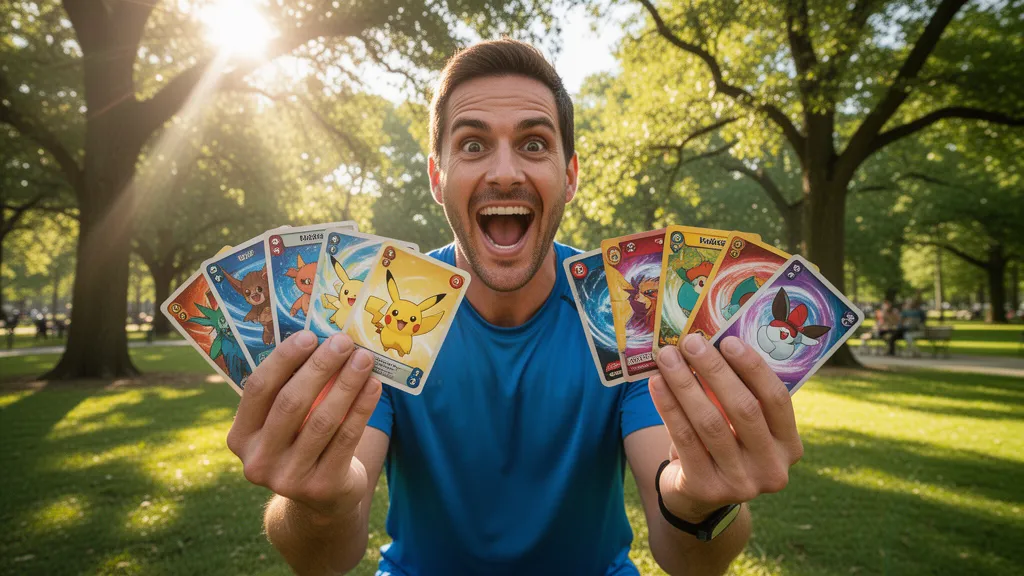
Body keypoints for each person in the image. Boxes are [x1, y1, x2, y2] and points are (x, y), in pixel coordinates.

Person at [227, 40, 803, 575]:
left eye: (533, 144)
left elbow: (688, 558)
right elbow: (327, 558)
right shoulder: (377, 307)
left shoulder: (627, 311)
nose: (504, 174)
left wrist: (702, 504)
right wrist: (316, 505)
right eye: (472, 145)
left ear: (569, 177)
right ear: (437, 177)